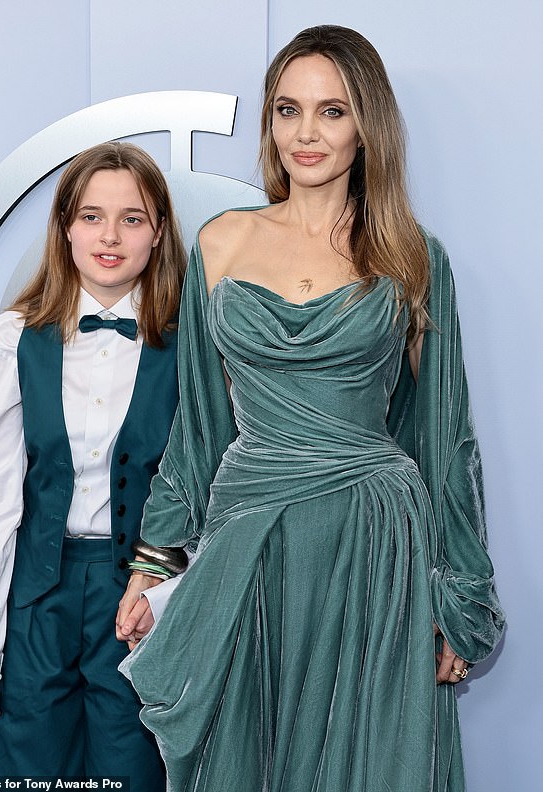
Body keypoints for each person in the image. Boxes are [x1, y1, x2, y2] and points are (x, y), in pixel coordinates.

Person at [116, 25, 505, 792]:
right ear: (269, 122)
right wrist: (154, 562)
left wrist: (456, 596)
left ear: (367, 128)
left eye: (332, 111)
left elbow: (446, 436)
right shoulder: (221, 243)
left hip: (372, 541)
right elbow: (197, 426)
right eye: (288, 110)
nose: (306, 132)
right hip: (250, 541)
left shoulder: (412, 255)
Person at [0, 141, 185, 785]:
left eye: (132, 218)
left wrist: (160, 592)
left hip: (137, 603)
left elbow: (198, 490)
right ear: (64, 227)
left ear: (158, 231)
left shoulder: (192, 344)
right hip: (35, 600)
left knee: (133, 772)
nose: (109, 236)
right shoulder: (11, 338)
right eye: (90, 215)